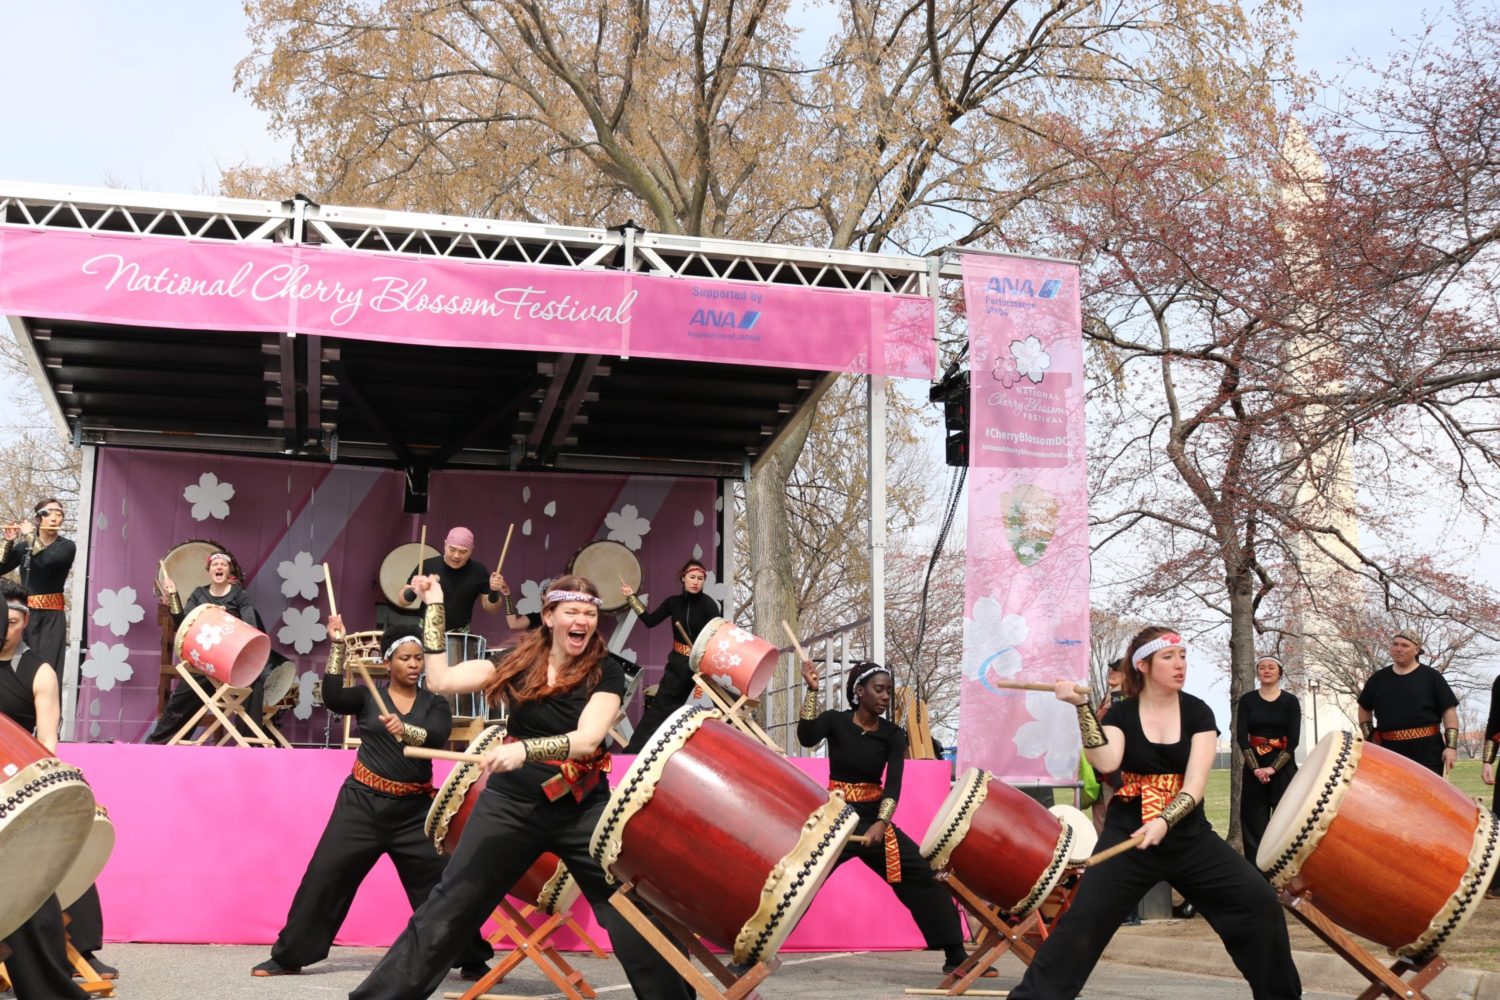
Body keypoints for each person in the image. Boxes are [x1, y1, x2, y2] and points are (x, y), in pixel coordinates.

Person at [348, 574, 691, 1000]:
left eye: (590, 613)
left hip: (581, 807)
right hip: (510, 805)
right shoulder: (516, 662)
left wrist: (525, 750)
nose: (583, 620)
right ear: (549, 617)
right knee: (450, 904)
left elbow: (587, 739)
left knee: (628, 910)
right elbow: (439, 681)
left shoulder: (606, 672)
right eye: (572, 612)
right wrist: (434, 605)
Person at [1007, 626, 1302, 1000]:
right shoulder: (1122, 714)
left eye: (1183, 657)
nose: (1180, 665)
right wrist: (1082, 709)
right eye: (1169, 657)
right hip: (1128, 836)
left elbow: (1194, 787)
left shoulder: (1198, 712)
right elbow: (1107, 760)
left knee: (1258, 903)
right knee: (1082, 922)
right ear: (1143, 665)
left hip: (1189, 838)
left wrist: (1163, 820)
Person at [251, 617, 491, 979]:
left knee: (442, 884)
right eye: (405, 658)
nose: (413, 665)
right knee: (324, 876)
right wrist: (337, 647)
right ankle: (290, 956)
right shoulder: (366, 696)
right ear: (388, 662)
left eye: (418, 658)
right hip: (361, 805)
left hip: (413, 811)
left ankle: (471, 957)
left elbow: (437, 737)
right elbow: (333, 697)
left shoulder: (434, 704)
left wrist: (405, 729)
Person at [797, 659, 976, 976]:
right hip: (835, 820)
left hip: (873, 820)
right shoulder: (835, 722)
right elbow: (807, 736)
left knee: (921, 875)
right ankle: (751, 955)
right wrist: (811, 691)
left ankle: (955, 954)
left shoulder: (893, 735)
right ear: (859, 691)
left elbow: (893, 785)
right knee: (797, 883)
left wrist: (881, 823)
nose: (884, 697)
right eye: (878, 689)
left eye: (888, 691)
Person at [0, 580, 92, 999]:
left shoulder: (37, 670)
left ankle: (61, 972)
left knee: (29, 893)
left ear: (24, 623)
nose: (6, 628)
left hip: (17, 779)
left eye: (12, 621)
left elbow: (47, 742)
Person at [146, 551, 268, 744]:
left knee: (254, 681)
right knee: (181, 700)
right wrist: (173, 595)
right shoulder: (199, 594)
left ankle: (250, 744)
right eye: (215, 565)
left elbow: (250, 624)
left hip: (230, 662)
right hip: (204, 662)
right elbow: (184, 622)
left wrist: (224, 619)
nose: (219, 567)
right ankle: (160, 744)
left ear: (229, 570)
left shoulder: (240, 595)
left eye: (223, 564)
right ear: (209, 570)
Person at [620, 558, 721, 752]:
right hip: (679, 663)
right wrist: (632, 598)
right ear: (683, 578)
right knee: (661, 709)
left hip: (703, 663)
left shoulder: (709, 605)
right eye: (692, 577)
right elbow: (650, 621)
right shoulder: (672, 603)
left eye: (700, 578)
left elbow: (717, 634)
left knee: (723, 704)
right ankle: (634, 752)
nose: (696, 581)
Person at [1357, 630, 1459, 776]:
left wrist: (1451, 747)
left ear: (1416, 650)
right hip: (1389, 751)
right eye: (1395, 644)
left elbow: (1449, 711)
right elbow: (1364, 708)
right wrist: (1370, 737)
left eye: (1405, 645)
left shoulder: (1432, 677)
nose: (1398, 648)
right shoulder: (1378, 679)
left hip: (1428, 752)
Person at [1235, 655, 1300, 864]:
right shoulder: (1247, 700)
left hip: (1283, 767)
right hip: (1254, 765)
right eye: (1262, 668)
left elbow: (1293, 741)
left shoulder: (1290, 701)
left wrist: (1272, 769)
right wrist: (1256, 769)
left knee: (1286, 820)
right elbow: (1241, 737)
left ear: (1280, 672)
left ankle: (1285, 871)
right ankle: (1258, 873)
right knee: (1254, 822)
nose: (1266, 671)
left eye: (1271, 667)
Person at [1, 499, 77, 677]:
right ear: (38, 519)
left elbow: (47, 561)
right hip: (24, 615)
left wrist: (29, 536)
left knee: (46, 669)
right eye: (49, 513)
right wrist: (8, 541)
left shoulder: (66, 546)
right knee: (15, 666)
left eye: (59, 514)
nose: (54, 519)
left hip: (51, 618)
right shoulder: (24, 547)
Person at [397, 528, 503, 634]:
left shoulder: (479, 571)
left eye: (463, 551)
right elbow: (402, 601)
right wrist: (413, 590)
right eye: (452, 549)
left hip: (460, 634)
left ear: (471, 550)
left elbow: (492, 610)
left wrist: (494, 591)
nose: (456, 555)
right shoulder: (427, 565)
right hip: (427, 630)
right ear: (445, 545)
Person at [1090, 658, 1127, 835]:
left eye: (1117, 669)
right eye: (1111, 668)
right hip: (1100, 772)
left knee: (1113, 822)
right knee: (1100, 821)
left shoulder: (1124, 698)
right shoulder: (1109, 697)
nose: (1112, 671)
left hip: (1115, 774)